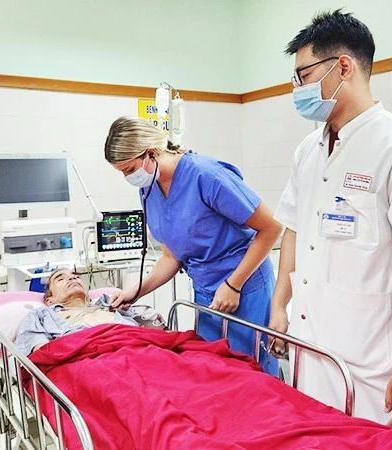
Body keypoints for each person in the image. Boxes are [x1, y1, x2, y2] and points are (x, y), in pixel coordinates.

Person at [269, 10, 392, 427]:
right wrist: (278, 305)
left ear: (343, 66)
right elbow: (293, 230)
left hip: (371, 370)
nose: (297, 89)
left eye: (303, 75)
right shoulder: (308, 150)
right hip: (310, 353)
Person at [105, 117, 284, 374]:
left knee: (254, 374)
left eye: (128, 170)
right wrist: (136, 291)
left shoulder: (207, 176)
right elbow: (171, 255)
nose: (127, 177)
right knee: (215, 373)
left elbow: (271, 228)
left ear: (151, 154)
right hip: (206, 293)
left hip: (246, 288)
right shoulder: (149, 187)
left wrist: (234, 284)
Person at [15, 268, 164, 355]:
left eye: (75, 276)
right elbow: (42, 353)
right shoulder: (41, 315)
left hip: (138, 349)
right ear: (49, 300)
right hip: (90, 360)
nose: (72, 278)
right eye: (60, 279)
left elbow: (155, 324)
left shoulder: (109, 303)